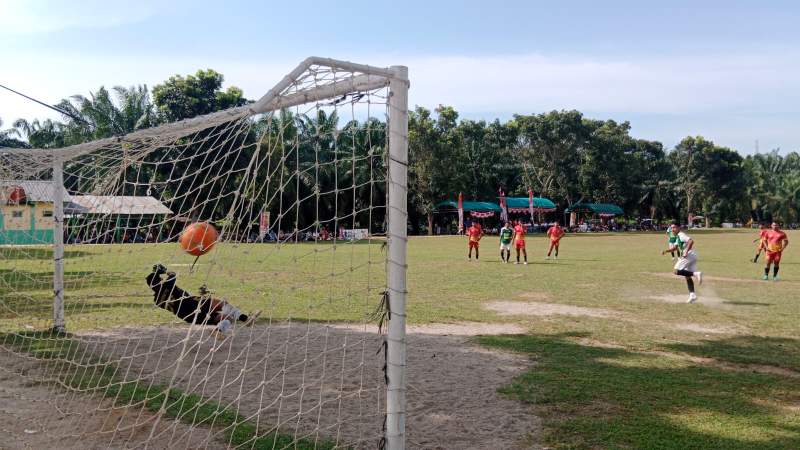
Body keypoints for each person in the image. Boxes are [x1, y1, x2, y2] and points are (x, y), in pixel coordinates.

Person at [146, 264, 259, 338]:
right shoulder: (166, 286)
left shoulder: (157, 300)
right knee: (220, 304)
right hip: (192, 305)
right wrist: (163, 271)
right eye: (159, 279)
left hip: (188, 316)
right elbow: (173, 275)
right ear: (158, 282)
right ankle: (245, 319)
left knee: (224, 318)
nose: (161, 279)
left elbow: (173, 292)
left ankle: (219, 331)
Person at [661, 223, 703, 303]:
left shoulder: (681, 235)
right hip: (692, 256)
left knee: (676, 271)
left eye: (674, 227)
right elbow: (675, 248)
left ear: (679, 228)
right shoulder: (677, 237)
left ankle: (696, 274)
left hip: (688, 255)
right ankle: (692, 295)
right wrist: (666, 251)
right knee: (687, 276)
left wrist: (686, 252)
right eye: (671, 228)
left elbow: (691, 241)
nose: (672, 229)